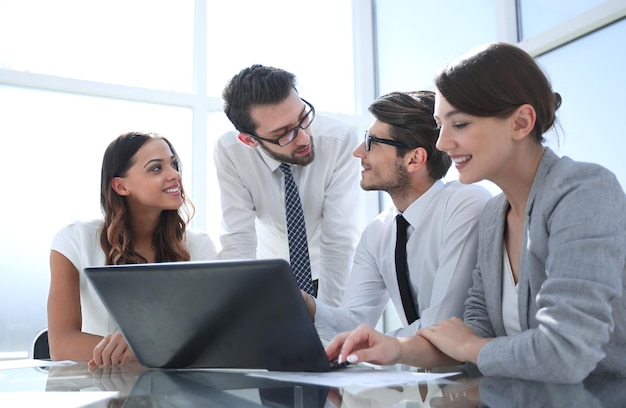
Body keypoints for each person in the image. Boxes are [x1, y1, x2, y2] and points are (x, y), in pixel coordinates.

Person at [325, 42, 626, 383]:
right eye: (440, 126)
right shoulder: (494, 215)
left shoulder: (584, 190)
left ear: (521, 122)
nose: (441, 144)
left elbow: (565, 352)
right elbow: (472, 331)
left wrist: (472, 348)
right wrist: (397, 348)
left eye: (460, 124)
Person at [302, 91, 491, 341]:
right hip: (420, 375)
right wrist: (308, 306)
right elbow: (353, 324)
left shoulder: (465, 204)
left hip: (480, 374)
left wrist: (377, 345)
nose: (358, 152)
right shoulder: (377, 232)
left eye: (372, 142)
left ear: (414, 159)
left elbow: (443, 323)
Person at [47, 131, 217, 366]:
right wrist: (147, 351)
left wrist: (143, 349)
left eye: (173, 164)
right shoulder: (74, 240)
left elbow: (212, 340)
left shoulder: (199, 247)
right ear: (120, 186)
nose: (175, 175)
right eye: (156, 168)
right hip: (100, 389)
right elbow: (61, 344)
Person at [214, 64, 361, 306]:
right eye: (284, 133)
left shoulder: (340, 139)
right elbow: (238, 238)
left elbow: (339, 237)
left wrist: (330, 322)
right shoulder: (230, 152)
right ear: (249, 140)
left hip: (332, 273)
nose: (304, 137)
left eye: (303, 118)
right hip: (268, 274)